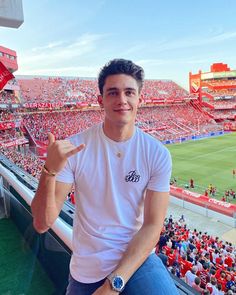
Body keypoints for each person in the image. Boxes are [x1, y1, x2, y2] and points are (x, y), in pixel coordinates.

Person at [31, 59, 178, 295]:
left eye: (129, 92)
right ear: (101, 100)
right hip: (88, 267)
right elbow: (41, 223)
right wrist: (49, 170)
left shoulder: (157, 153)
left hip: (138, 260)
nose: (122, 100)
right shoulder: (75, 148)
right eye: (113, 92)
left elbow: (152, 225)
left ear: (140, 98)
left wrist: (113, 285)